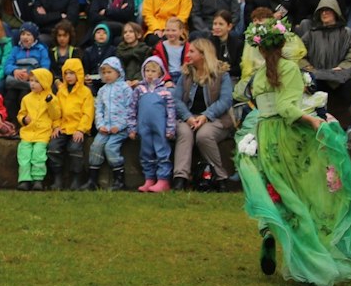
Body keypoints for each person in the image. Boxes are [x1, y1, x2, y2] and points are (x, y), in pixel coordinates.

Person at [235, 15, 351, 286]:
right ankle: (313, 264)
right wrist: (315, 120)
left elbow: (252, 100)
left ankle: (267, 230)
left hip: (263, 131)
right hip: (284, 134)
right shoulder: (288, 68)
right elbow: (288, 109)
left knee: (274, 186)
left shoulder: (257, 73)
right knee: (301, 191)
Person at [173, 37, 237, 191]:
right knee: (184, 132)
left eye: (192, 51)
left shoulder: (221, 74)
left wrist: (206, 115)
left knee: (204, 135)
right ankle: (180, 177)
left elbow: (225, 100)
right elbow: (176, 99)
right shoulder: (186, 73)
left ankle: (220, 177)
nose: (188, 54)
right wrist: (188, 117)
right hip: (189, 117)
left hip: (216, 118)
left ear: (203, 54)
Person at [296, 0, 351, 123]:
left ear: (335, 12)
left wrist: (344, 66)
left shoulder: (347, 33)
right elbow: (299, 53)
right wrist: (308, 67)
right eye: (322, 11)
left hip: (341, 74)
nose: (324, 13)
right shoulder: (311, 34)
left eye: (328, 10)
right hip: (318, 74)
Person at [85, 56, 135, 191]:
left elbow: (130, 110)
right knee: (95, 146)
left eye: (109, 72)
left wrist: (119, 126)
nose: (106, 76)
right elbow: (99, 109)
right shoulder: (102, 90)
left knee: (110, 148)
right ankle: (92, 180)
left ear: (118, 72)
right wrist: (100, 125)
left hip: (120, 128)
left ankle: (119, 181)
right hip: (105, 127)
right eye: (104, 73)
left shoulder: (126, 89)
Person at [134, 56, 178, 193]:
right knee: (146, 152)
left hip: (161, 129)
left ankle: (163, 180)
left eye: (153, 71)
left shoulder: (165, 92)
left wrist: (171, 128)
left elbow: (171, 112)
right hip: (143, 128)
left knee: (162, 152)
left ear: (160, 73)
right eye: (147, 70)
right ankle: (149, 179)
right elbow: (132, 109)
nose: (150, 74)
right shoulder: (139, 90)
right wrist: (132, 127)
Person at [49, 57, 94, 191]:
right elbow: (56, 111)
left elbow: (88, 113)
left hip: (77, 128)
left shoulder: (85, 92)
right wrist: (56, 126)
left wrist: (81, 129)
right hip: (63, 127)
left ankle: (76, 178)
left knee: (75, 149)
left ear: (79, 74)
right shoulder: (61, 91)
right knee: (53, 147)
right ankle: (57, 178)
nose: (68, 77)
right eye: (66, 73)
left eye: (72, 73)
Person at [12, 67, 57, 192]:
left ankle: (38, 179)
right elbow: (21, 114)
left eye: (37, 81)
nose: (32, 84)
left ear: (45, 82)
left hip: (43, 133)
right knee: (24, 154)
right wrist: (23, 119)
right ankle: (24, 179)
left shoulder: (52, 98)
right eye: (31, 80)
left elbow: (55, 115)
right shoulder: (26, 98)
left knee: (38, 154)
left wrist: (51, 103)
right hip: (28, 132)